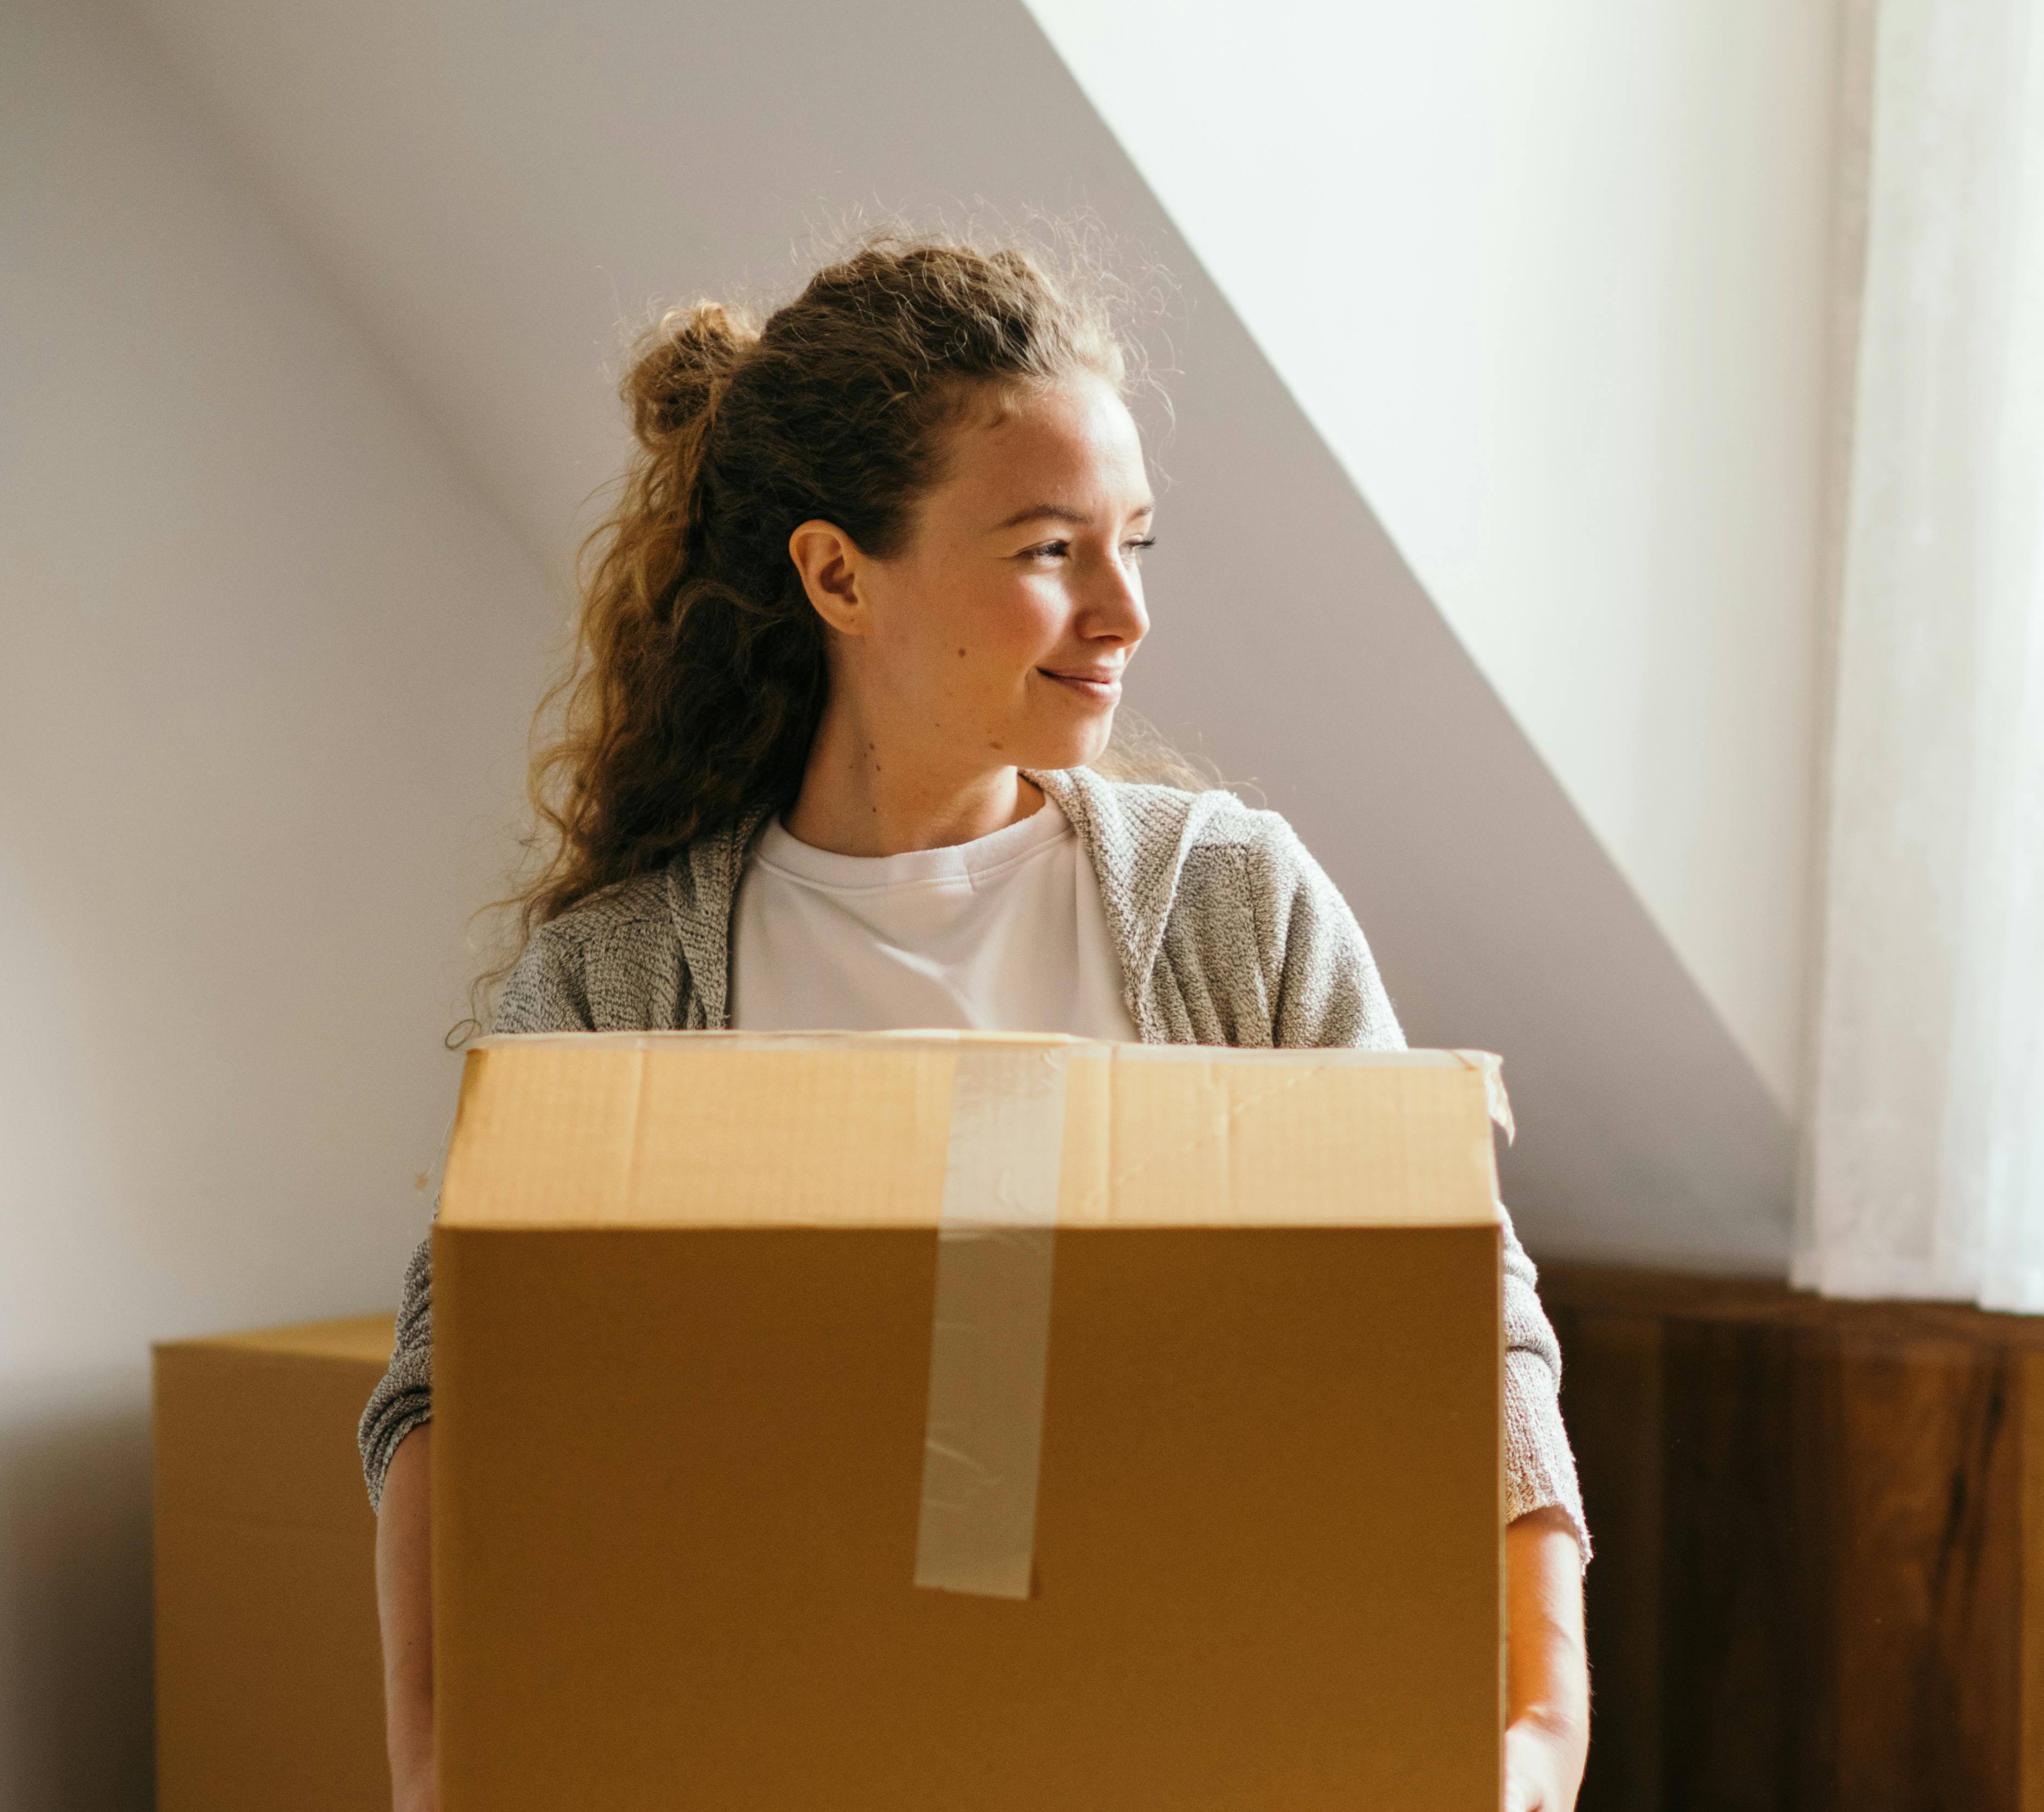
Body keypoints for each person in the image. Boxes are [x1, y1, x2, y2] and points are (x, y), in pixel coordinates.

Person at [358, 234, 1591, 1812]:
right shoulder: (624, 982)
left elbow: (1465, 1306)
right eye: (1047, 550)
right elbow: (449, 1385)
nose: (1124, 610)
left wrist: (1541, 1718)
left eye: (1136, 542)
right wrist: (433, 1764)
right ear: (838, 574)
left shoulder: (1233, 912)